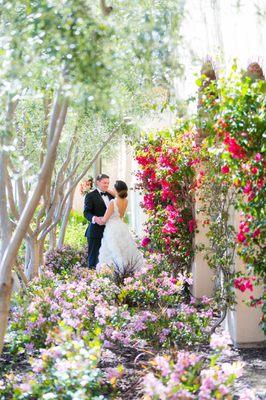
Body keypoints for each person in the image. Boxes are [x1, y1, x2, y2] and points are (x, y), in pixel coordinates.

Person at [97, 180, 144, 277]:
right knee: (123, 249)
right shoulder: (125, 201)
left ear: (116, 189)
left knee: (112, 249)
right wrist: (108, 190)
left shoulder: (112, 202)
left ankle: (114, 272)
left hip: (112, 228)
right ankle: (127, 271)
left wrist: (96, 219)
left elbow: (105, 219)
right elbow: (117, 197)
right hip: (121, 226)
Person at [84, 174, 114, 268]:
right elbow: (86, 213)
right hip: (95, 232)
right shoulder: (90, 195)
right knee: (93, 258)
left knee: (109, 258)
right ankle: (91, 278)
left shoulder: (111, 195)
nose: (106, 185)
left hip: (110, 231)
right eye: (104, 183)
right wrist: (95, 219)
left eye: (108, 183)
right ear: (98, 182)